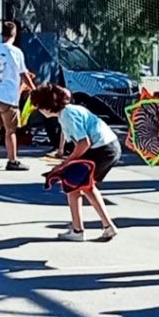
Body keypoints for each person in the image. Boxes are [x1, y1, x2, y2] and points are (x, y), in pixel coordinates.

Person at [31, 83, 121, 241]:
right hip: (108, 147)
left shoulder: (67, 115)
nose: (37, 109)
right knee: (82, 186)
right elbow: (68, 135)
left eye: (38, 105)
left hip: (100, 149)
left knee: (75, 184)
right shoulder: (67, 112)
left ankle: (80, 230)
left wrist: (65, 163)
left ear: (46, 105)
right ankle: (103, 226)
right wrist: (61, 151)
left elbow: (83, 143)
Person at [0, 21, 34, 172]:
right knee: (10, 130)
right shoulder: (15, 52)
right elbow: (23, 73)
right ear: (14, 35)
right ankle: (12, 160)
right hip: (8, 96)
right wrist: (33, 89)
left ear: (2, 34)